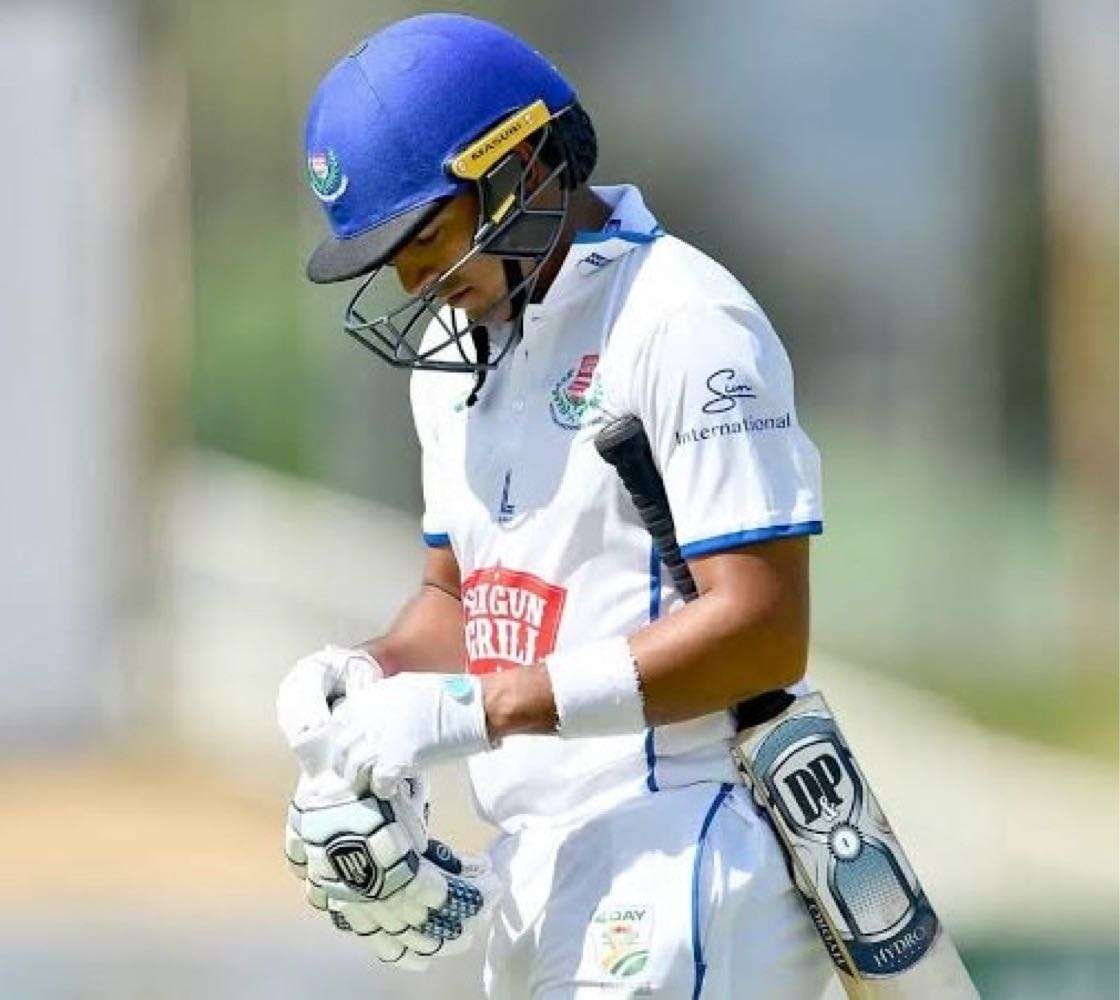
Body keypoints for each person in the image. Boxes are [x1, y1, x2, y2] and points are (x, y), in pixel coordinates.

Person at [280, 12, 832, 999]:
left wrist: (477, 711)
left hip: (679, 846)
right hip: (531, 864)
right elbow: (459, 598)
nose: (412, 278)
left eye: (426, 237)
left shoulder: (681, 321)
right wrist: (371, 673)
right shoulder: (453, 371)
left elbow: (763, 628)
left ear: (523, 167)